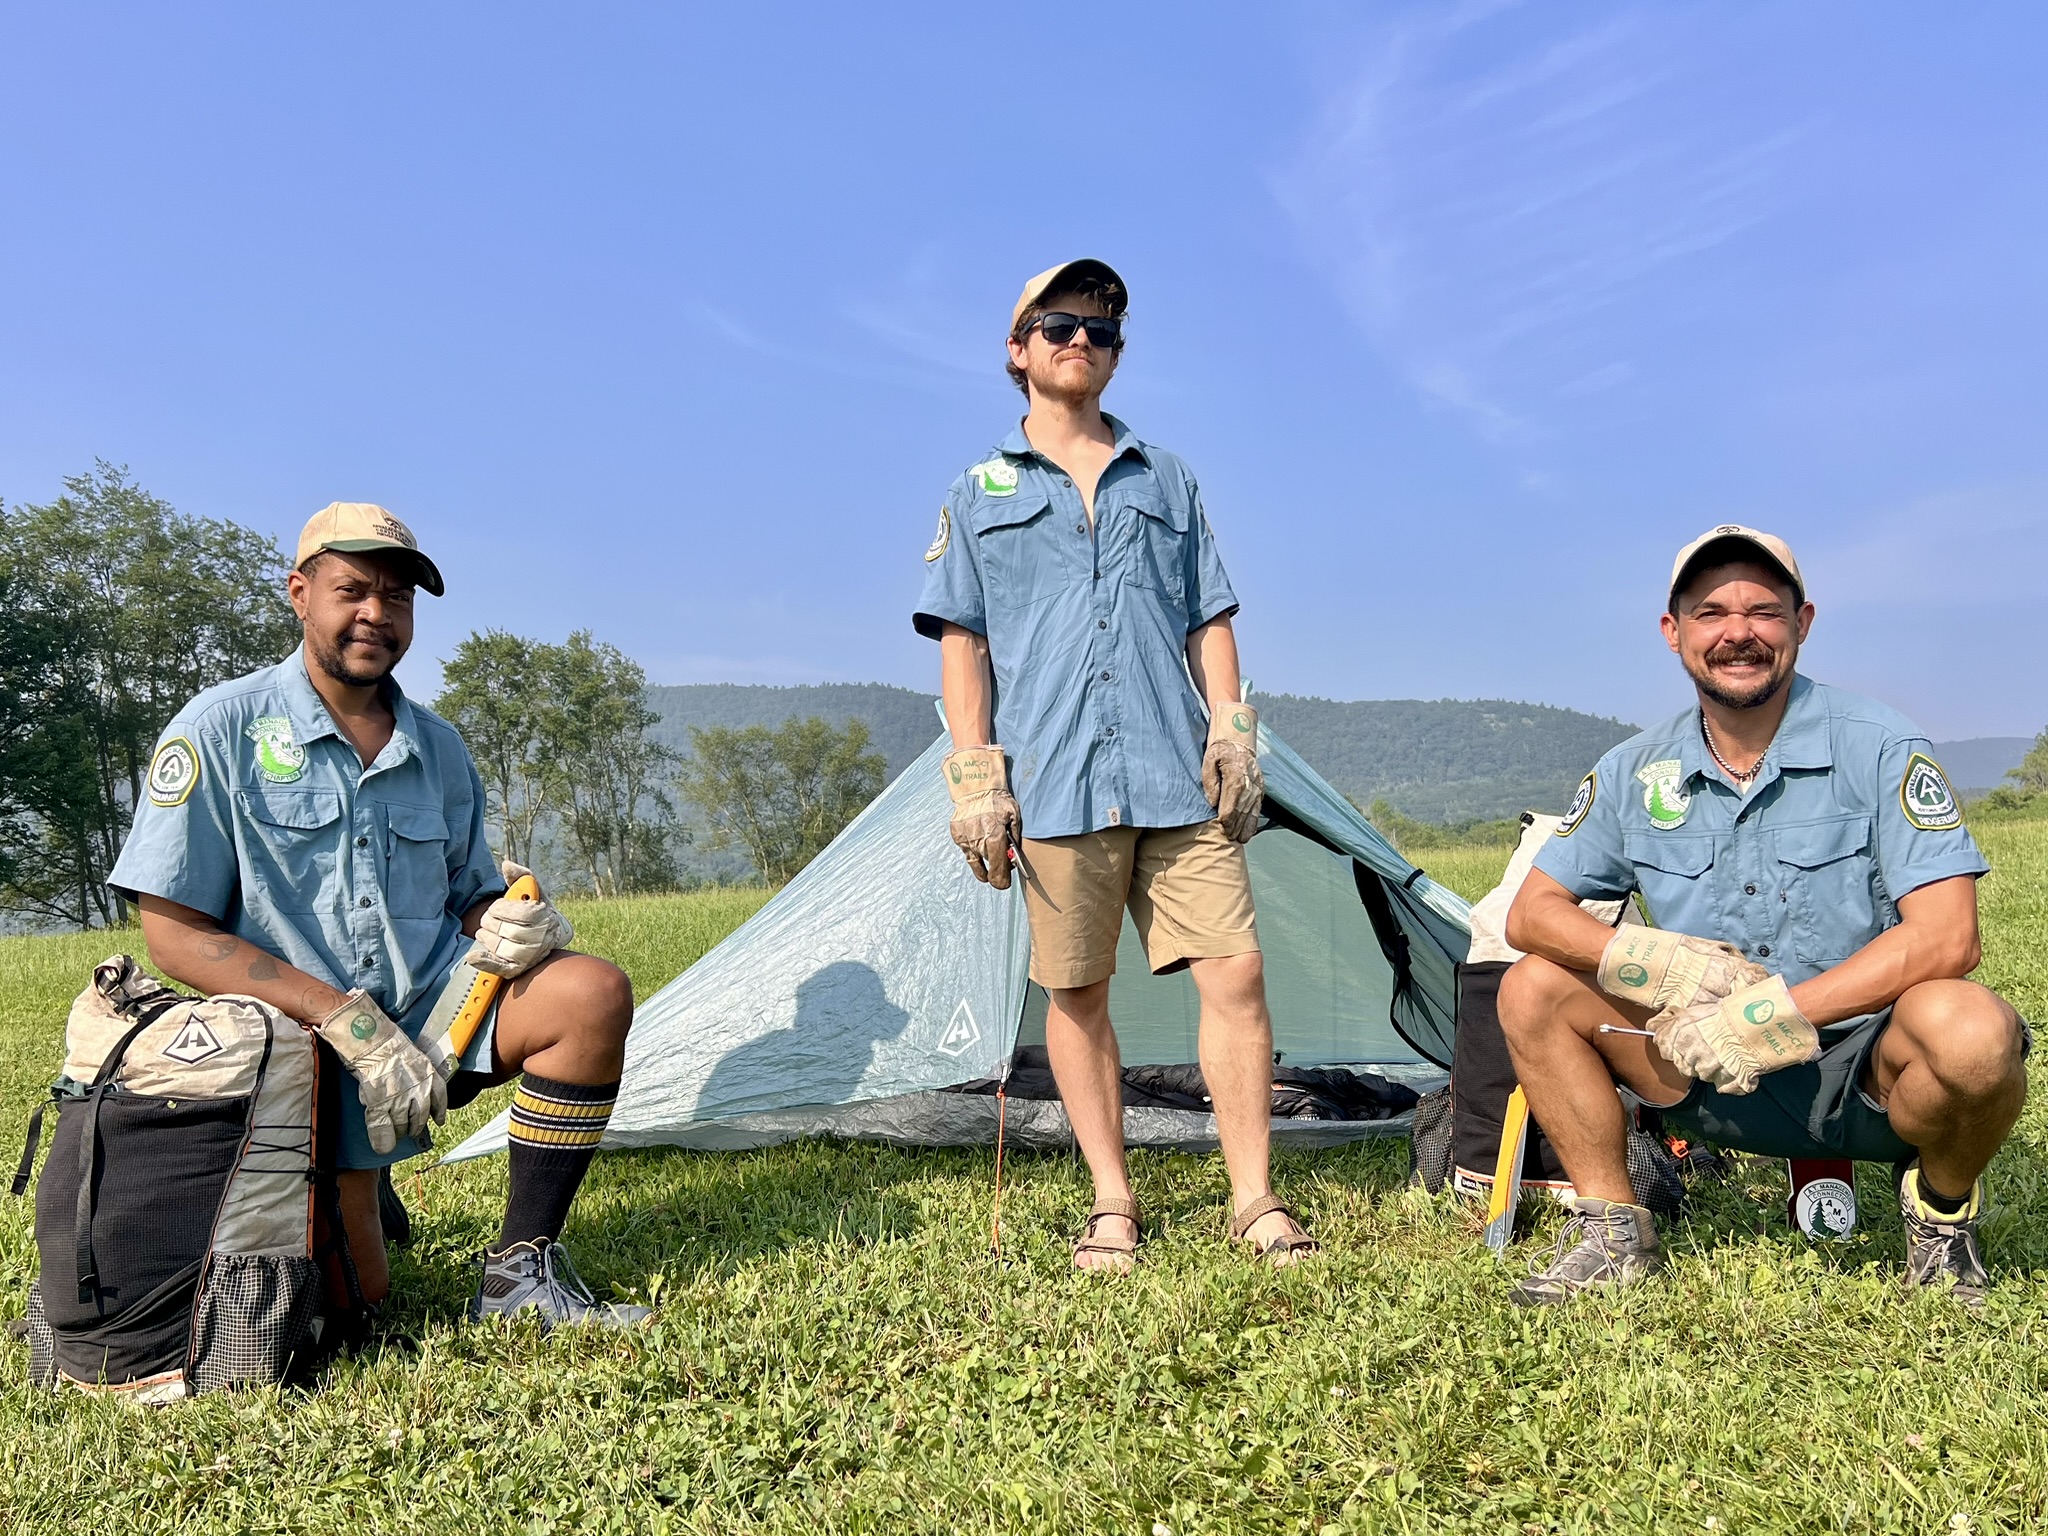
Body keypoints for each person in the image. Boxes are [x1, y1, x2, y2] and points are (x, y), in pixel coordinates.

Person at [108, 502, 649, 1329]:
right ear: (300, 592)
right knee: (361, 1307)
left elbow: (469, 896)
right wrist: (346, 1024)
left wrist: (510, 925)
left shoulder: (439, 747)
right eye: (352, 590)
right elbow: (173, 931)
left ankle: (518, 1275)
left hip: (433, 1019)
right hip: (303, 1044)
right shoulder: (220, 730)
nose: (376, 615)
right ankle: (350, 1184)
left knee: (589, 993)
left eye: (396, 599)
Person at [1497, 524, 2025, 1306]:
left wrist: (1773, 1012)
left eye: (1763, 612)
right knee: (1531, 988)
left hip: (1865, 1068)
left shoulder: (1880, 746)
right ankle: (1612, 1232)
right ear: (1675, 634)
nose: (1738, 632)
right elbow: (1531, 915)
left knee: (1976, 1033)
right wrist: (1662, 965)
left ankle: (1940, 1221)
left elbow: (1950, 935)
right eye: (1711, 613)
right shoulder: (1634, 769)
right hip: (1698, 1060)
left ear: (1801, 624)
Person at [912, 259, 1315, 1269]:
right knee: (1076, 992)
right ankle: (1111, 1202)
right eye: (1055, 325)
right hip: (1051, 783)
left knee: (1237, 972)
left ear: (1117, 354)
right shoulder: (979, 488)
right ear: (1018, 350)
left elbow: (1207, 614)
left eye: (1097, 328)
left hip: (1175, 775)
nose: (1077, 340)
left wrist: (1232, 727)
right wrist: (975, 777)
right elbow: (962, 641)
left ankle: (1254, 1198)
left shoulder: (1163, 475)